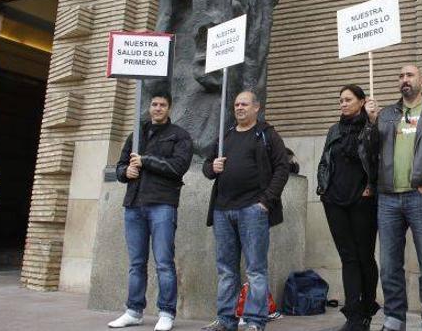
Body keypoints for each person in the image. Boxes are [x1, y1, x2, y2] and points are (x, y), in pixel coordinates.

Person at [363, 65, 422, 331]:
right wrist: (369, 123)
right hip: (388, 198)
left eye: (410, 75)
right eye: (401, 76)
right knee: (390, 264)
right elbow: (367, 152)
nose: (404, 80)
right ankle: (394, 318)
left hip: (421, 197)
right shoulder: (386, 114)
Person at [201, 90, 291, 331]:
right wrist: (213, 167)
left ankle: (254, 321)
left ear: (256, 108)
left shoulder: (266, 134)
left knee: (255, 270)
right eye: (236, 104)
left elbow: (283, 168)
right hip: (222, 211)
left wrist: (265, 201)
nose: (239, 108)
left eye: (244, 104)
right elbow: (206, 167)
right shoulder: (225, 135)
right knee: (226, 270)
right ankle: (225, 320)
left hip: (253, 210)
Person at [108, 92, 193, 331]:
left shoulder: (179, 135)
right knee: (136, 263)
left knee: (164, 262)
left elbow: (178, 167)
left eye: (162, 105)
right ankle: (134, 311)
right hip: (134, 204)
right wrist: (125, 172)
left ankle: (166, 312)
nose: (157, 108)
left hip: (162, 204)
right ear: (149, 107)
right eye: (154, 104)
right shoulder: (137, 134)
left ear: (169, 108)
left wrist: (146, 161)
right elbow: (120, 166)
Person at [316, 84, 380, 331]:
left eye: (348, 99)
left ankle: (366, 311)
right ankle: (353, 315)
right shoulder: (334, 130)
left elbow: (378, 157)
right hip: (335, 200)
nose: (342, 104)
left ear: (362, 101)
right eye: (340, 100)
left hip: (362, 199)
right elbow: (325, 161)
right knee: (348, 258)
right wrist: (324, 190)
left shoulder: (372, 126)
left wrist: (371, 184)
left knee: (365, 257)